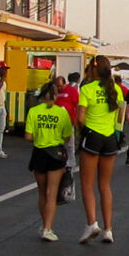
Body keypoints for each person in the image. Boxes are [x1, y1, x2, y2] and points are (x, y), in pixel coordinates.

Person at [76, 55, 125, 244]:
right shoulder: (117, 90)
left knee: (87, 183)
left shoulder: (87, 89)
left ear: (93, 69)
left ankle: (91, 223)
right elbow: (121, 117)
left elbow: (80, 117)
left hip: (92, 135)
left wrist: (82, 132)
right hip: (110, 137)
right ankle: (109, 229)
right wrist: (116, 134)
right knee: (105, 185)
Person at [25, 80, 75, 242]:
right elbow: (67, 137)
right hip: (56, 153)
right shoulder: (62, 113)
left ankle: (44, 224)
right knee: (52, 194)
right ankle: (48, 228)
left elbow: (28, 136)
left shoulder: (34, 111)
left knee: (42, 193)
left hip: (39, 153)